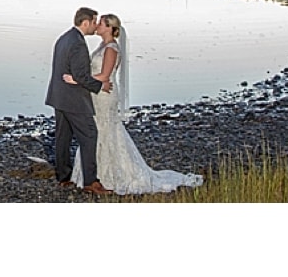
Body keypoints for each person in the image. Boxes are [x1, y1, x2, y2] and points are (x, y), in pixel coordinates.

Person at [67, 13, 204, 194]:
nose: (97, 25)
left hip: (104, 94)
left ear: (110, 28)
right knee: (97, 129)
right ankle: (93, 173)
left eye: (101, 23)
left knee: (105, 129)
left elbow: (105, 76)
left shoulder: (111, 48)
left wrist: (76, 80)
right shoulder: (102, 45)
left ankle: (109, 174)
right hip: (97, 93)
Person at [45, 6, 112, 195]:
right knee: (89, 135)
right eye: (93, 22)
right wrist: (101, 86)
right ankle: (91, 181)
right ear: (85, 22)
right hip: (74, 99)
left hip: (58, 96)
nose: (95, 25)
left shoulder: (64, 38)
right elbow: (81, 76)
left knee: (63, 138)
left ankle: (63, 177)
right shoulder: (78, 43)